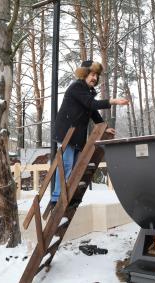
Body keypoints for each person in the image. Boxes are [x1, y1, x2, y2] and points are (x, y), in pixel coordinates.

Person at [51, 60, 129, 204]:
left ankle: (68, 194)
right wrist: (113, 101)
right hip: (67, 133)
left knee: (74, 167)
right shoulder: (77, 87)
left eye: (96, 75)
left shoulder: (88, 91)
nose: (94, 78)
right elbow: (91, 104)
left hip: (77, 135)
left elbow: (92, 111)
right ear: (85, 74)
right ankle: (57, 197)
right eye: (92, 74)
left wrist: (104, 127)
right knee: (66, 164)